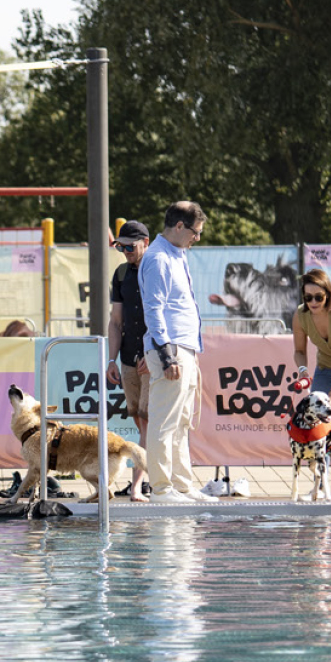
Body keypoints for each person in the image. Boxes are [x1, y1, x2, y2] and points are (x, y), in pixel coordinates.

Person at [140, 201, 212, 503]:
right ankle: (160, 488)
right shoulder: (158, 259)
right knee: (163, 421)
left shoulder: (177, 254)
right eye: (195, 232)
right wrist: (167, 355)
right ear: (179, 226)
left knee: (183, 422)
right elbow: (153, 310)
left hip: (186, 347)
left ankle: (183, 485)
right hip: (170, 349)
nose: (198, 238)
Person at [103, 219, 152, 496]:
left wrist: (155, 351)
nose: (125, 252)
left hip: (151, 357)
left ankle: (137, 486)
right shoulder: (121, 273)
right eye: (120, 247)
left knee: (146, 421)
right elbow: (115, 321)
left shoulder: (155, 270)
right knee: (137, 419)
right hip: (127, 357)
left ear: (145, 242)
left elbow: (164, 316)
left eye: (130, 247)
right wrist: (112, 360)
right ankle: (147, 478)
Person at [291, 268, 331, 401]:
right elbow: (299, 352)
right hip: (326, 366)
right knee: (316, 412)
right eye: (308, 298)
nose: (313, 302)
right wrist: (303, 370)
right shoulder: (300, 315)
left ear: (328, 294)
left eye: (318, 297)